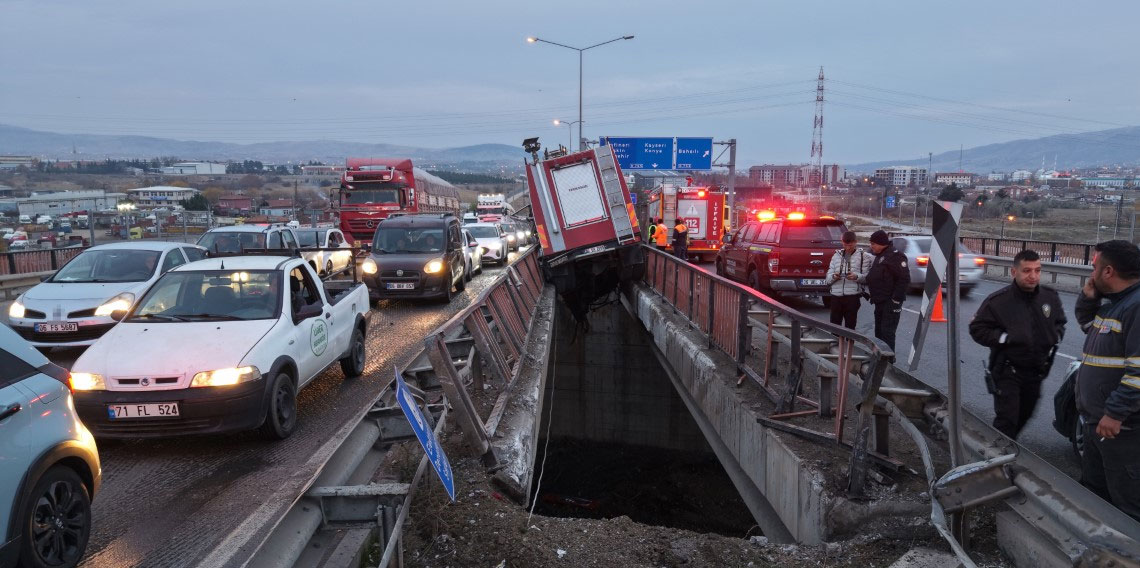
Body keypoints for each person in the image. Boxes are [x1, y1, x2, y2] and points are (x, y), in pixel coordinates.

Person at [1073, 240, 1140, 521]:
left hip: (1122, 430)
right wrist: (1089, 298)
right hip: (1097, 423)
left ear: (1109, 271)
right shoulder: (1117, 304)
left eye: (1095, 268)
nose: (1092, 274)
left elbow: (1138, 370)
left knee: (1127, 504)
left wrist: (1114, 413)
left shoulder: (1135, 307)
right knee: (1096, 495)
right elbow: (1092, 329)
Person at [968, 250, 1066, 440]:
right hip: (1007, 370)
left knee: (1026, 414)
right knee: (1007, 420)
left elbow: (1060, 322)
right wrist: (1005, 338)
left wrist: (1055, 336)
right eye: (1027, 271)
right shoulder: (998, 301)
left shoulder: (1049, 297)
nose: (1033, 276)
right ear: (1014, 272)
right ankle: (997, 462)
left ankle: (1008, 449)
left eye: (1037, 270)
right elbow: (977, 329)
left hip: (1036, 370)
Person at [863, 230, 910, 350]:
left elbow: (904, 279)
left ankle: (888, 362)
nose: (871, 246)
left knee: (887, 333)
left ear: (881, 243)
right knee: (879, 332)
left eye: (873, 244)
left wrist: (895, 300)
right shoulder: (881, 256)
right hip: (880, 301)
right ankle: (879, 358)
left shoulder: (895, 256)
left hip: (889, 302)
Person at [826, 231, 872, 329]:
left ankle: (849, 344)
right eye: (845, 245)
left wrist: (856, 277)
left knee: (850, 327)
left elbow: (867, 278)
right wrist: (834, 276)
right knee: (834, 327)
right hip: (835, 296)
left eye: (850, 245)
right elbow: (828, 279)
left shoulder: (864, 257)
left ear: (856, 242)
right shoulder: (836, 256)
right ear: (842, 242)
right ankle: (835, 344)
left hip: (852, 297)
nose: (847, 248)